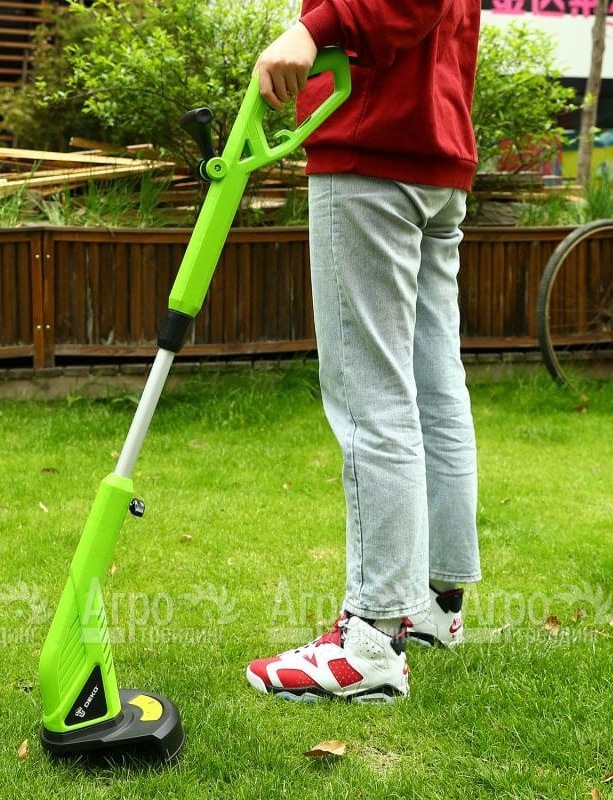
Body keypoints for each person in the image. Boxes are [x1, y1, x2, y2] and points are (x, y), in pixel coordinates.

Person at [245, 0, 483, 702]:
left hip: (375, 142)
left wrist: (313, 28)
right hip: (434, 150)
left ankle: (371, 640)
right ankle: (434, 606)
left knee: (370, 394)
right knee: (434, 390)